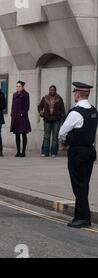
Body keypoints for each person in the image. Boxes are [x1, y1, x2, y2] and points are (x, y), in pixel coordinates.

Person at [59, 82, 97, 229]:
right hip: (90, 151)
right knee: (83, 184)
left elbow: (62, 132)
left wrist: (63, 143)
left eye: (75, 92)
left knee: (78, 185)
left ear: (77, 94)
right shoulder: (94, 111)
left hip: (77, 152)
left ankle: (83, 218)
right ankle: (79, 215)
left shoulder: (75, 112)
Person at [38, 85, 66, 158]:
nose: (52, 91)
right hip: (47, 119)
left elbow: (63, 110)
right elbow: (39, 106)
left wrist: (62, 119)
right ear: (49, 90)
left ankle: (54, 152)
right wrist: (41, 112)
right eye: (51, 90)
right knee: (46, 136)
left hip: (56, 120)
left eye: (53, 90)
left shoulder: (59, 99)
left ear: (55, 91)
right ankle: (45, 152)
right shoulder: (45, 98)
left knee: (55, 136)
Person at [11, 81, 32, 158]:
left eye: (19, 86)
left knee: (23, 134)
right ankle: (18, 151)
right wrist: (12, 113)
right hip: (15, 117)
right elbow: (13, 105)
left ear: (23, 87)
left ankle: (23, 152)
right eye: (17, 86)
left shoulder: (26, 94)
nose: (18, 87)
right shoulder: (14, 94)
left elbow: (27, 106)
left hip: (23, 117)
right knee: (17, 135)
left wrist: (22, 113)